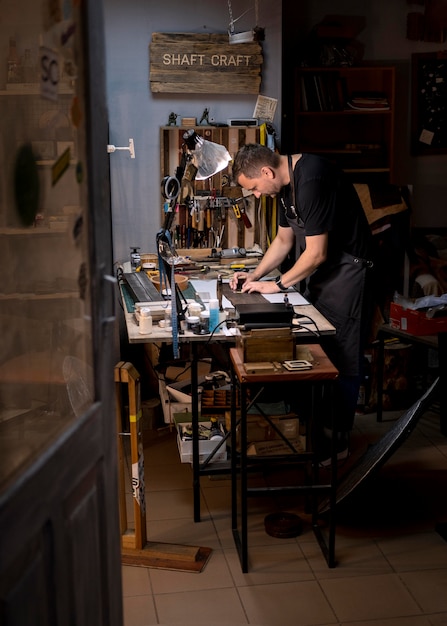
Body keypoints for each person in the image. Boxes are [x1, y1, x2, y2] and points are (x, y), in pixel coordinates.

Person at [230, 144, 374, 463]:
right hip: (324, 273)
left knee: (342, 354)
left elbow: (316, 253)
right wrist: (251, 276)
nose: (255, 195)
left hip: (348, 271)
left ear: (266, 172)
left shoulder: (311, 179)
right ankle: (310, 430)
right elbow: (284, 241)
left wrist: (277, 283)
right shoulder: (283, 187)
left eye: (253, 187)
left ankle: (337, 442)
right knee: (312, 347)